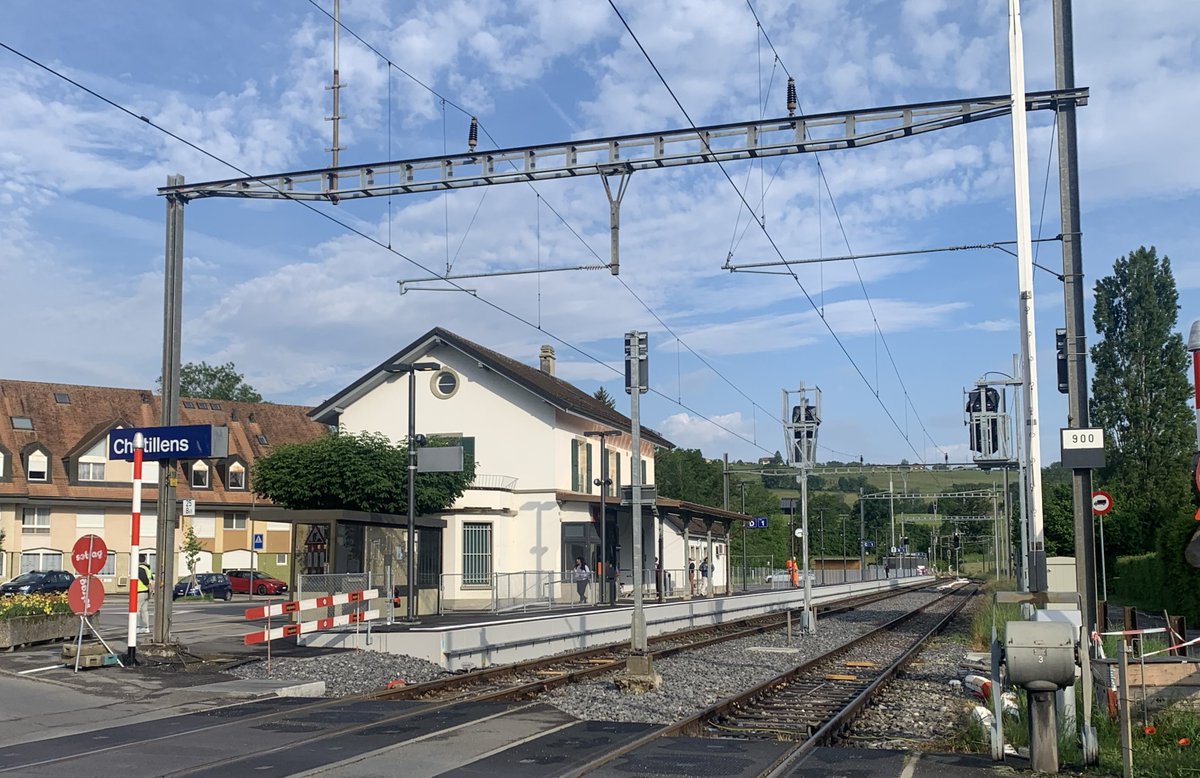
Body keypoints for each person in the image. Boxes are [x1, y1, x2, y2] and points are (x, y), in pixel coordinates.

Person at [136, 554, 154, 634]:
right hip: (146, 591)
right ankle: (146, 627)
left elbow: (145, 580)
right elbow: (151, 579)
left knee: (136, 610)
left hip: (139, 591)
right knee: (144, 610)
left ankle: (137, 627)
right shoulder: (147, 568)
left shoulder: (139, 569)